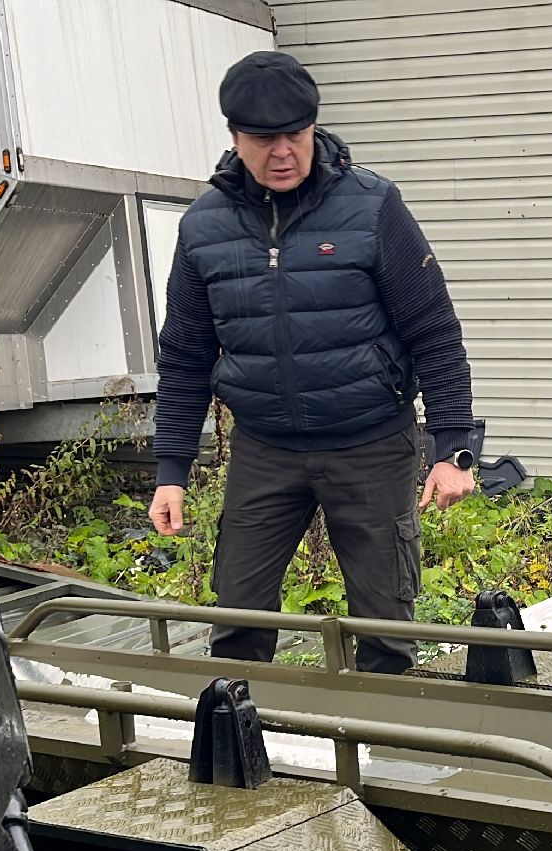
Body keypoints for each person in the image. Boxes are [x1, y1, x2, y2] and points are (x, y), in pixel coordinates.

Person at [150, 51, 477, 674]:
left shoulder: (373, 208)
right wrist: (171, 470)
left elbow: (434, 331)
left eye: (295, 135)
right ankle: (247, 753)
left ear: (314, 128)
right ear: (234, 138)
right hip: (264, 448)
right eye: (263, 138)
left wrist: (452, 447)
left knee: (383, 629)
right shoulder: (203, 228)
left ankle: (383, 758)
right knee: (239, 619)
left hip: (371, 443)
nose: (282, 153)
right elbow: (187, 357)